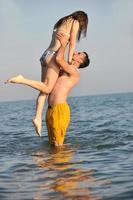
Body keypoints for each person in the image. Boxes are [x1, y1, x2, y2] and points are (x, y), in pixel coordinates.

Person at [5, 11, 88, 137]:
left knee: (43, 89)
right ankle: (21, 79)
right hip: (53, 57)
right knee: (48, 88)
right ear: (82, 20)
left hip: (46, 55)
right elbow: (72, 43)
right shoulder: (75, 22)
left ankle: (37, 118)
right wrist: (70, 59)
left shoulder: (62, 22)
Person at [45, 33, 90, 146]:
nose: (75, 52)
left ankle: (62, 163)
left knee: (58, 144)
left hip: (60, 109)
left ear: (80, 61)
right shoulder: (66, 70)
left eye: (79, 53)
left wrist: (64, 44)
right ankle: (54, 163)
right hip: (50, 109)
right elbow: (56, 62)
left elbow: (59, 59)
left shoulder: (74, 71)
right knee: (52, 144)